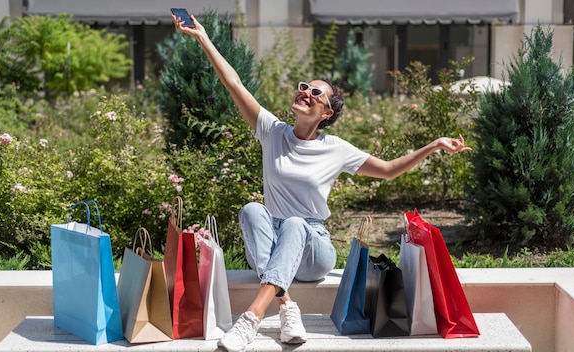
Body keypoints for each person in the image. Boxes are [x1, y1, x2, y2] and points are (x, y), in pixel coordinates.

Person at [172, 13, 471, 352]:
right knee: (253, 209)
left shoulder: (335, 149)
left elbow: (388, 170)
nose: (306, 93)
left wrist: (434, 145)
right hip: (274, 244)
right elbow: (235, 85)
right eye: (304, 87)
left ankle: (251, 319)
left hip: (314, 247)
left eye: (316, 92)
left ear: (326, 113)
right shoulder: (272, 132)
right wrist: (204, 38)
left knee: (296, 222)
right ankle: (286, 306)